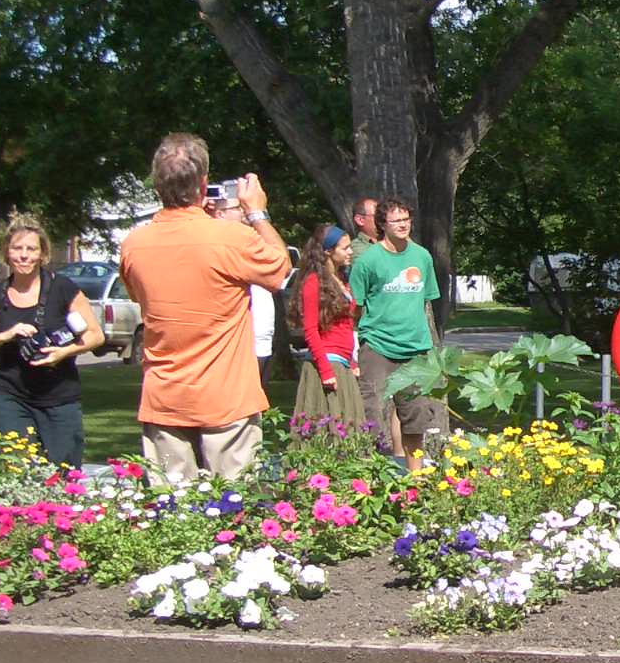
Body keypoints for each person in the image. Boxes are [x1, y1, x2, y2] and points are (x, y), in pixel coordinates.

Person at [119, 134, 292, 483]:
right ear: (203, 184)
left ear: (157, 185)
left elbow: (139, 296)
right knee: (234, 504)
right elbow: (281, 268)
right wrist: (256, 212)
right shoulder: (231, 238)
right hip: (226, 398)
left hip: (165, 397)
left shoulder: (134, 245)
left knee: (171, 507)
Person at [0, 214, 104, 468]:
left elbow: (96, 335)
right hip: (11, 397)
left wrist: (62, 353)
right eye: (17, 248)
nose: (24, 256)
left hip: (59, 396)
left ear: (43, 254)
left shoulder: (63, 288)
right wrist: (7, 335)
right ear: (7, 252)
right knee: (16, 469)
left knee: (65, 472)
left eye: (31, 249)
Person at [351, 197, 441, 468]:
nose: (403, 225)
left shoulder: (422, 256)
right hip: (378, 347)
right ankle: (369, 475)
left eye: (406, 219)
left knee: (415, 416)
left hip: (415, 349)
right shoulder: (367, 261)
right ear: (382, 224)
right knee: (372, 414)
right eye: (396, 220)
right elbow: (356, 306)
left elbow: (426, 301)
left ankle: (416, 478)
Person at [291, 222, 367, 428]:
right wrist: (325, 371)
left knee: (350, 427)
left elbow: (345, 326)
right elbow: (310, 330)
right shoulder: (313, 281)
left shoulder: (340, 279)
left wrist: (351, 362)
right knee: (330, 427)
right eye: (345, 248)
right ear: (327, 251)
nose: (350, 252)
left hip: (343, 362)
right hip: (328, 363)